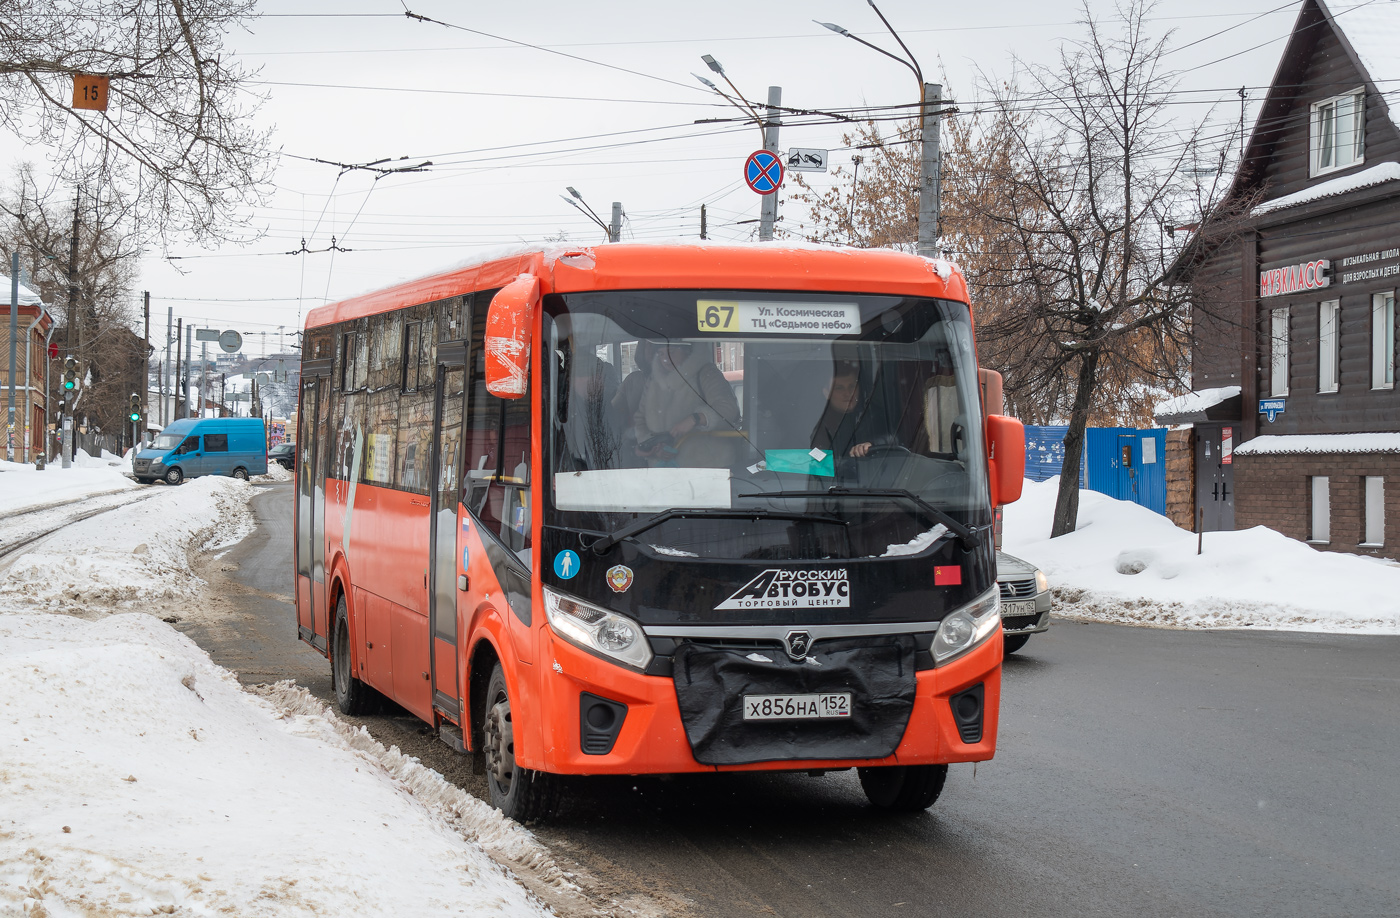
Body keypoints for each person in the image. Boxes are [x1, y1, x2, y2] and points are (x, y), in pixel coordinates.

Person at [630, 340, 740, 465]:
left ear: (687, 351)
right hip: (664, 472)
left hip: (707, 468)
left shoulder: (706, 373)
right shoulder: (654, 381)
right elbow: (640, 419)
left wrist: (697, 418)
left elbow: (728, 409)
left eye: (671, 352)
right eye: (661, 354)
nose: (666, 359)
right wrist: (654, 447)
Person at [811, 361, 889, 459]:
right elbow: (816, 456)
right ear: (827, 393)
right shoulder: (819, 422)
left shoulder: (875, 414)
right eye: (839, 388)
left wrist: (872, 444)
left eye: (852, 386)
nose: (848, 393)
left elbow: (895, 439)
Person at [559, 350, 620, 470]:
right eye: (597, 377)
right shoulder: (561, 409)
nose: (601, 383)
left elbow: (615, 443)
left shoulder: (604, 404)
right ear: (578, 379)